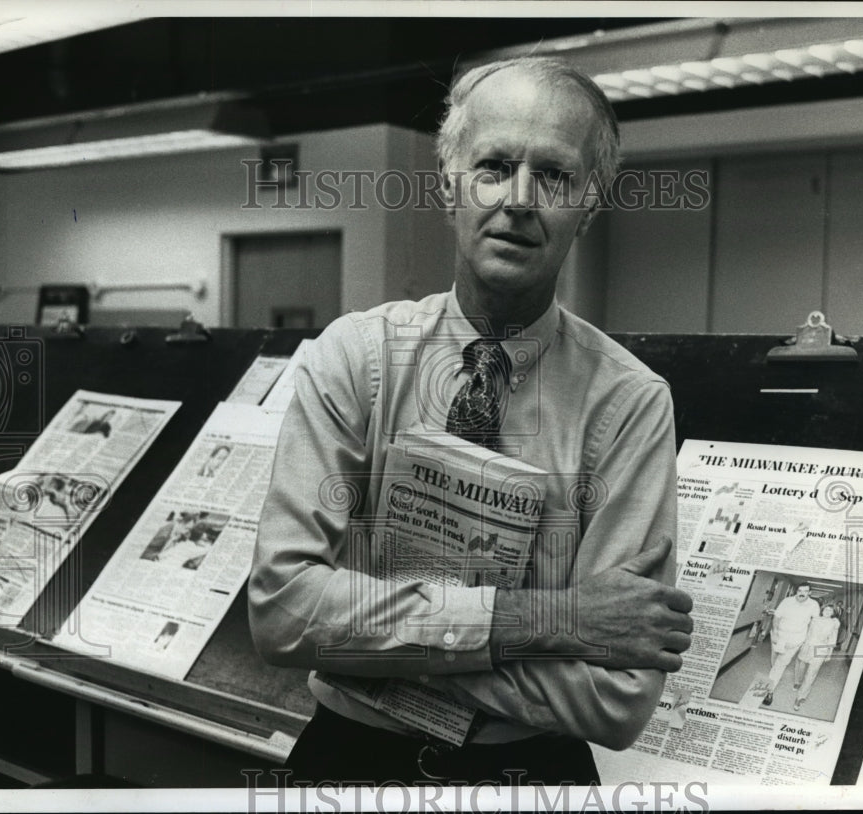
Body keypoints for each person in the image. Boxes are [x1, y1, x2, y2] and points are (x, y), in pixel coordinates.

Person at [248, 56, 694, 785]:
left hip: (526, 776)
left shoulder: (629, 403)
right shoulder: (355, 359)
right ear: (450, 186)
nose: (519, 199)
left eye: (553, 175)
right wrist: (555, 622)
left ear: (589, 204)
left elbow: (616, 699)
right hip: (347, 767)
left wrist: (369, 652)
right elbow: (284, 612)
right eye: (493, 165)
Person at [762, 582, 820, 706]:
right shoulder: (787, 601)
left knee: (780, 664)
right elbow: (776, 617)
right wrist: (776, 634)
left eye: (805, 591)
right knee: (774, 662)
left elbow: (813, 624)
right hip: (779, 636)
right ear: (796, 591)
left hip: (795, 640)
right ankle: (773, 678)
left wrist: (807, 641)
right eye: (799, 590)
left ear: (810, 593)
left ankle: (769, 691)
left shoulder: (814, 605)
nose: (802, 593)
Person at [793, 603, 841, 711]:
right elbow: (806, 632)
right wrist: (801, 644)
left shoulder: (834, 623)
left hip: (821, 649)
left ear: (833, 613)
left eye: (830, 610)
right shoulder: (814, 619)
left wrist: (829, 654)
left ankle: (800, 697)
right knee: (800, 665)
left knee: (811, 673)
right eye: (826, 609)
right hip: (807, 646)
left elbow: (832, 639)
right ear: (822, 610)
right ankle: (797, 682)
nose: (827, 612)